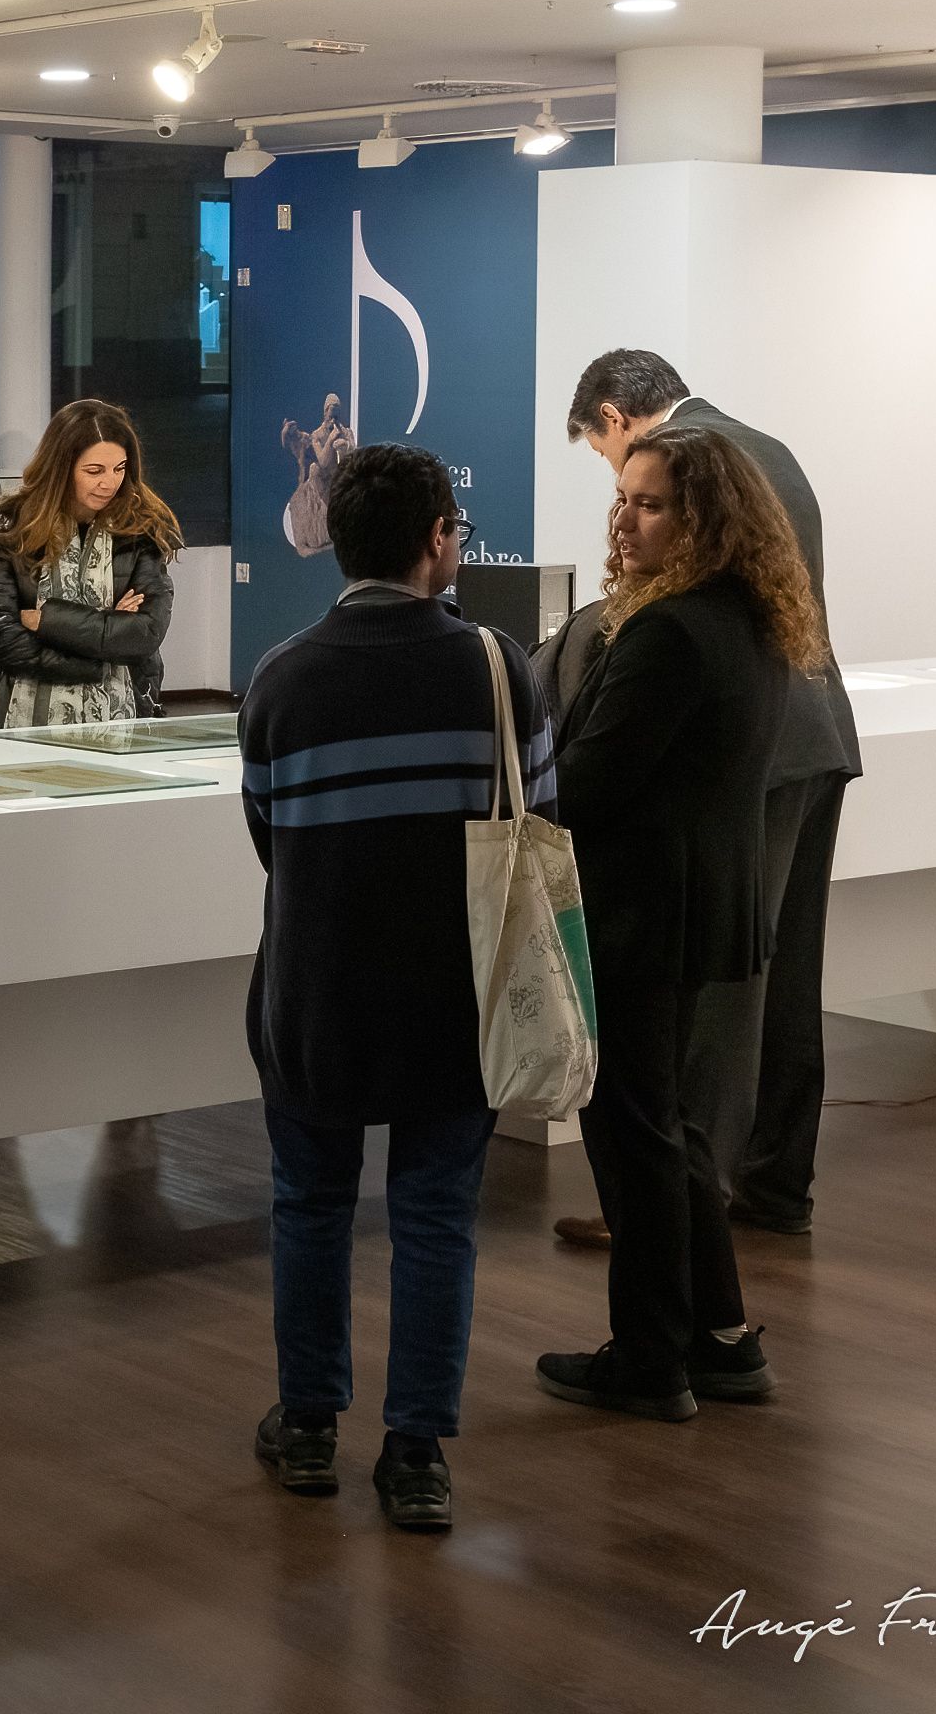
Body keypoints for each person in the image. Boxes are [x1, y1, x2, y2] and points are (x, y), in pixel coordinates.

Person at [239, 443, 546, 1533]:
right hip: (454, 992)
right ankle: (416, 1453)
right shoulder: (499, 667)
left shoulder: (280, 676)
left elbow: (269, 836)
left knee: (311, 1204)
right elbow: (538, 812)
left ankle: (311, 1425)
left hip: (316, 987)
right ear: (436, 542)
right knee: (435, 1216)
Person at [536, 422, 823, 1423]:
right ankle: (721, 1337)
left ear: (703, 518)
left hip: (642, 910)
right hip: (700, 904)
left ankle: (651, 1356)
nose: (626, 518)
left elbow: (594, 781)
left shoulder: (668, 629)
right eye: (623, 498)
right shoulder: (746, 615)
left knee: (636, 1133)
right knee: (672, 1124)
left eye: (650, 503)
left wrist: (526, 784)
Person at [563, 349, 858, 1237]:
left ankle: (679, 1202)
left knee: (715, 995)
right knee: (785, 971)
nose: (624, 504)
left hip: (741, 752)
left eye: (617, 478)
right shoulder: (767, 446)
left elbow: (664, 612)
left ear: (615, 418)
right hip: (810, 733)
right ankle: (774, 1183)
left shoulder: (688, 458)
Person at [0, 398, 178, 730]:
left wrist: (45, 619)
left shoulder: (141, 532)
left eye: (120, 468)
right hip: (20, 724)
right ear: (61, 468)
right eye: (94, 471)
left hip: (122, 723)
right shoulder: (14, 526)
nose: (109, 482)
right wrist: (97, 656)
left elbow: (144, 634)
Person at [281, 395, 354, 559]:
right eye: (331, 414)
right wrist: (330, 440)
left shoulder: (347, 432)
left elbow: (354, 455)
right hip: (327, 481)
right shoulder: (316, 435)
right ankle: (331, 510)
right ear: (325, 413)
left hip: (344, 477)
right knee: (314, 469)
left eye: (336, 414)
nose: (333, 418)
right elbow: (322, 460)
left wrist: (345, 446)